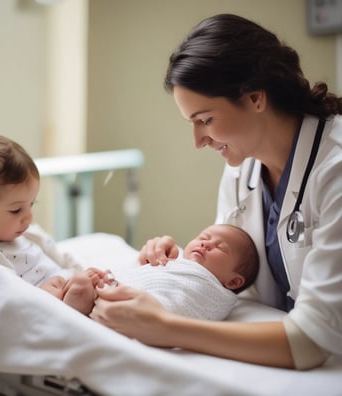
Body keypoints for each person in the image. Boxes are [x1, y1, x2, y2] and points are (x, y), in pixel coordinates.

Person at [90, 13, 342, 370]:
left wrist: (165, 327)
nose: (198, 141)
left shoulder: (335, 170)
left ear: (256, 97)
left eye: (205, 120)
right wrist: (177, 263)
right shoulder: (242, 171)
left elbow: (313, 341)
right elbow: (229, 278)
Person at [0, 134, 108, 315]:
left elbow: (62, 257)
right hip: (33, 308)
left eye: (31, 204)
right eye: (16, 210)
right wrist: (40, 295)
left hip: (66, 286)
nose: (29, 217)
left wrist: (84, 271)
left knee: (89, 285)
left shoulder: (30, 235)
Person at [110, 223, 258, 321]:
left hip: (141, 307)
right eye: (203, 238)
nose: (205, 244)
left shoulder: (211, 293)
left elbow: (180, 304)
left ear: (233, 281)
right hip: (119, 286)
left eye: (220, 248)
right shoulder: (176, 258)